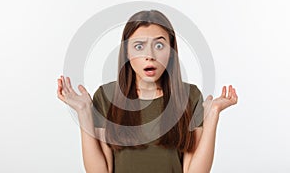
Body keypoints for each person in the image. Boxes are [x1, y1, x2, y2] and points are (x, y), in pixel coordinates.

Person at [57, 10, 238, 173]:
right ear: (127, 52)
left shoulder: (189, 96)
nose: (150, 55)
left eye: (159, 46)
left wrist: (213, 115)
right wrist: (84, 113)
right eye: (139, 46)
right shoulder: (107, 96)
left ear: (171, 51)